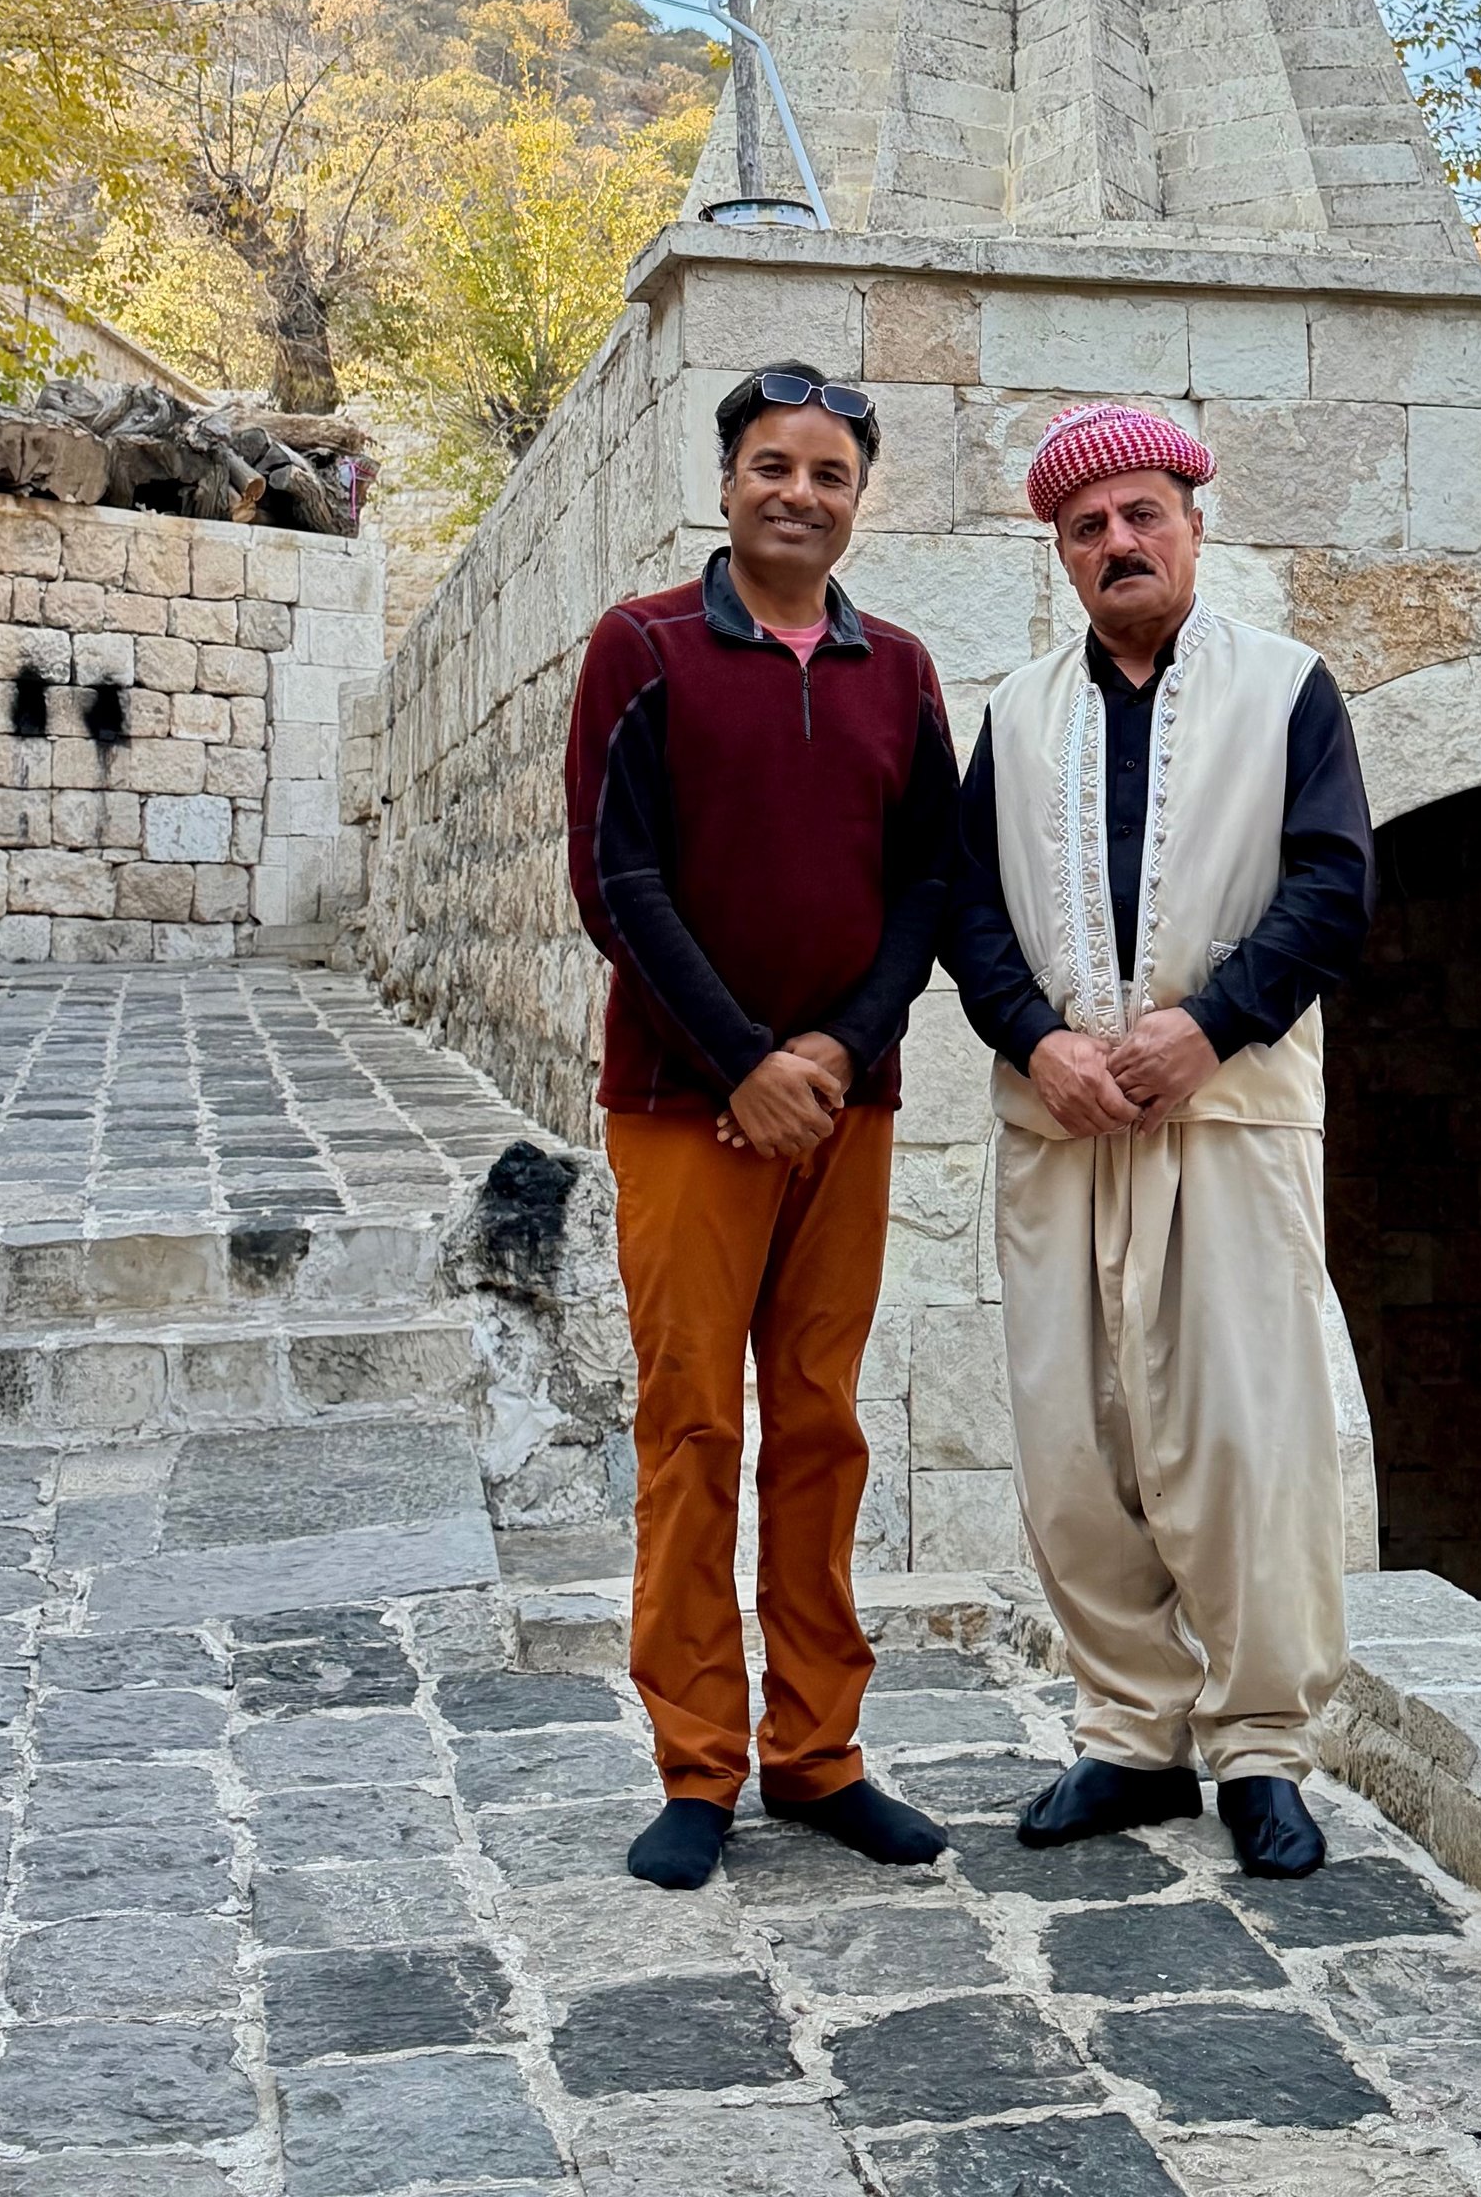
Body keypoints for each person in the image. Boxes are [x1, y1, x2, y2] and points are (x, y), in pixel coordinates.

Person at [943, 400, 1376, 1880]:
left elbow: (1332, 886)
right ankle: (1132, 1734)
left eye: (1142, 515)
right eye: (1087, 528)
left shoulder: (1287, 691)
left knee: (1247, 1435)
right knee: (1077, 1437)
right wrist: (1038, 1039)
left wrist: (1215, 1022)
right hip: (1060, 1124)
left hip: (1231, 1112)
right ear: (1059, 554)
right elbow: (966, 913)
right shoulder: (1013, 714)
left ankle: (1264, 1747)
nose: (1118, 543)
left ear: (1194, 519)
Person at [564, 361, 960, 1891]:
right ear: (726, 479)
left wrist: (839, 1054)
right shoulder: (644, 648)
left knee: (818, 1424)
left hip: (842, 1113)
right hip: (683, 1107)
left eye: (831, 475)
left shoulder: (901, 672)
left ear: (859, 502)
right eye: (773, 467)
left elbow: (927, 882)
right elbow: (621, 883)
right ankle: (697, 1765)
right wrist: (741, 1063)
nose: (800, 493)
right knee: (692, 1427)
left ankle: (818, 1752)